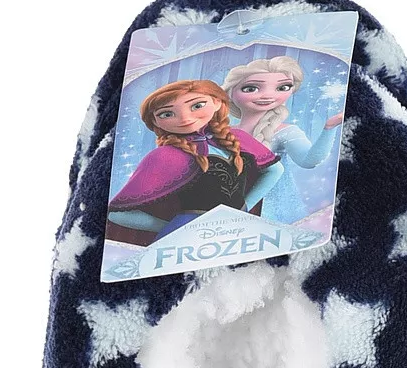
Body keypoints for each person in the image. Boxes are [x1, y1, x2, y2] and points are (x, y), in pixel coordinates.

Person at [106, 79, 283, 246]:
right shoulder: (163, 156)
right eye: (167, 114)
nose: (185, 118)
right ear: (154, 121)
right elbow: (117, 214)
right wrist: (173, 227)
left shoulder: (238, 138)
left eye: (197, 105)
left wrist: (245, 208)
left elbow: (275, 170)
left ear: (217, 102)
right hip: (187, 238)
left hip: (238, 228)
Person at [222, 56, 343, 224]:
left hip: (272, 212)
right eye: (250, 88)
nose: (268, 95)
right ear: (230, 93)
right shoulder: (223, 133)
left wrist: (329, 127)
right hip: (225, 209)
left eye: (282, 87)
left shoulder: (285, 132)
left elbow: (309, 160)